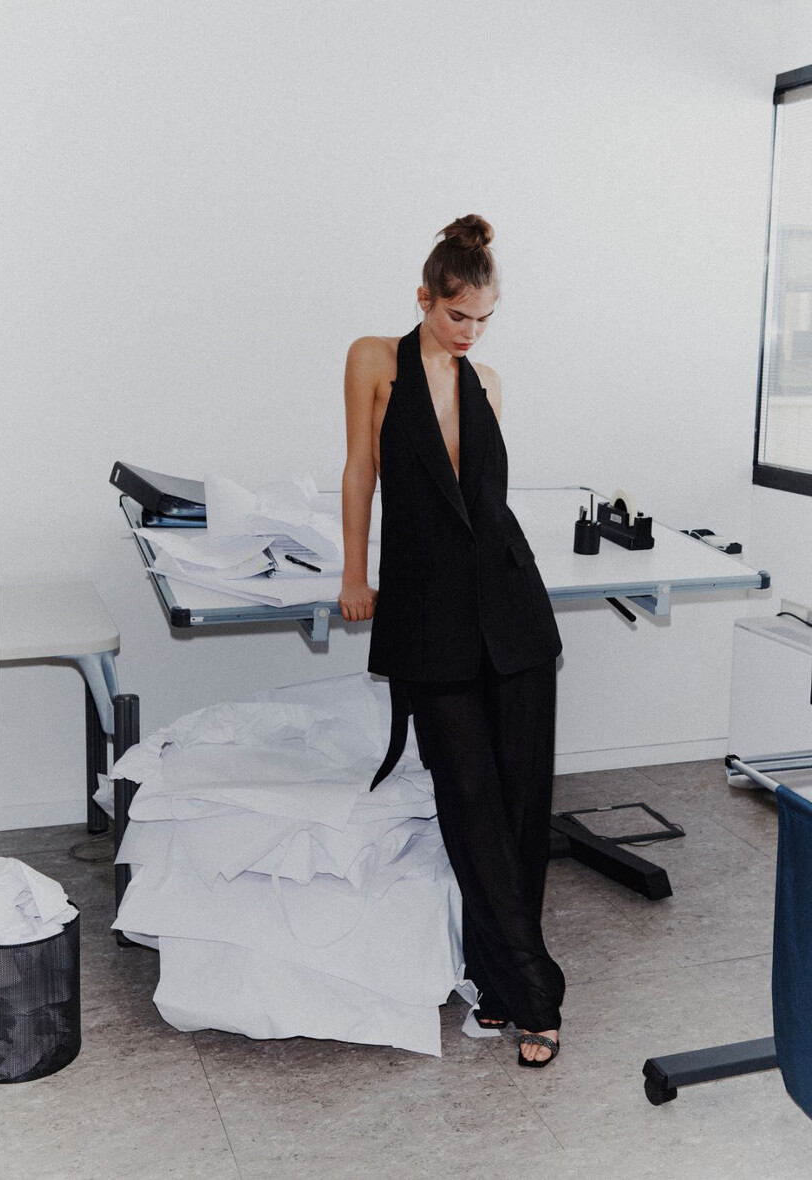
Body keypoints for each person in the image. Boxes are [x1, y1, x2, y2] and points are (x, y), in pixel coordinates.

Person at [338, 215, 565, 1067]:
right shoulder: (374, 360)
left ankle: (498, 987)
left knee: (519, 806)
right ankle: (537, 990)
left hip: (512, 611)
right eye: (457, 315)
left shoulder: (489, 384)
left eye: (484, 319)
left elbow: (486, 508)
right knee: (469, 799)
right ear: (425, 298)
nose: (469, 333)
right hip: (428, 614)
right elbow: (361, 469)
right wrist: (355, 573)